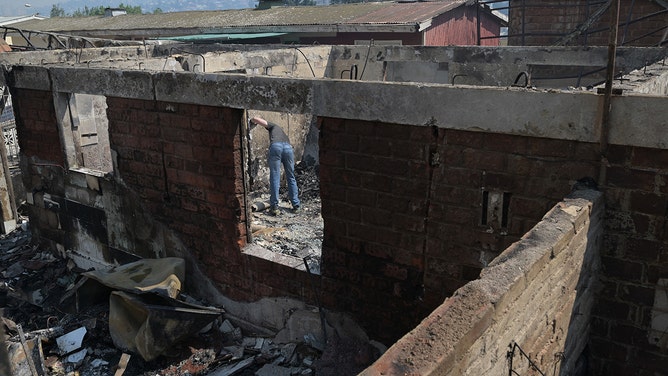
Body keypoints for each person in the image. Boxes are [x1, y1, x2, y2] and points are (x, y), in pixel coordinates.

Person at [250, 116, 300, 215]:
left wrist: (252, 121)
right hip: (288, 148)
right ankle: (296, 205)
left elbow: (257, 119)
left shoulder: (273, 126)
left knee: (275, 177)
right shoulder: (284, 135)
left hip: (276, 147)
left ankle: (274, 207)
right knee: (291, 177)